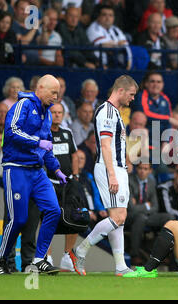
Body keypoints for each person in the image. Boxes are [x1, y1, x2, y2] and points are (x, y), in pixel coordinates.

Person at [0, 74, 68, 275]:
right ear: (41, 88)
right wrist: (37, 141)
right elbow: (11, 131)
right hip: (16, 168)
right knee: (18, 219)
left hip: (37, 172)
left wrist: (56, 169)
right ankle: (2, 260)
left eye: (58, 93)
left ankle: (38, 259)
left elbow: (48, 148)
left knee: (53, 210)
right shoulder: (23, 105)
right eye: (53, 92)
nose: (56, 96)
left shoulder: (48, 114)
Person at [69, 75, 139, 276]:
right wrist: (112, 175)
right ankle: (80, 250)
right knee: (119, 216)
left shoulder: (114, 112)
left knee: (119, 219)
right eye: (131, 94)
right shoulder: (107, 112)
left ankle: (120, 267)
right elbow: (106, 146)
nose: (132, 99)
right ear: (121, 91)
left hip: (117, 167)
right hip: (110, 168)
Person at [47, 102, 80, 271]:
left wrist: (75, 176)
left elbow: (74, 155)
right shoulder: (43, 134)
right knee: (49, 219)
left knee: (73, 217)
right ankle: (48, 256)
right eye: (54, 112)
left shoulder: (67, 133)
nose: (57, 115)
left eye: (60, 112)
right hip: (49, 183)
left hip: (67, 183)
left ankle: (67, 255)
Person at [126, 162, 175, 265]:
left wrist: (143, 207)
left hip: (147, 216)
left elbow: (155, 207)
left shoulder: (152, 181)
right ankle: (134, 255)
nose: (142, 171)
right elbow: (131, 208)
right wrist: (147, 205)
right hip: (131, 216)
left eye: (145, 169)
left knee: (169, 218)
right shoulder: (129, 180)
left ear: (150, 171)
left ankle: (161, 254)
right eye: (140, 168)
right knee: (140, 217)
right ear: (136, 169)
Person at [86, 5, 132, 70]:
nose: (108, 18)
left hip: (116, 64)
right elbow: (105, 46)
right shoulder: (93, 28)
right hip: (100, 65)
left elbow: (125, 45)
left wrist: (129, 63)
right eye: (104, 15)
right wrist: (118, 44)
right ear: (98, 17)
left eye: (110, 15)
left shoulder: (115, 29)